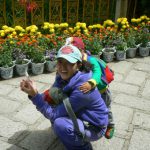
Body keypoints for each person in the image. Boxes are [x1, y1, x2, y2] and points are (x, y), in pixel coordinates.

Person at [20, 45, 108, 150]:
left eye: (69, 63)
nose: (62, 67)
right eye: (60, 61)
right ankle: (69, 134)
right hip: (79, 113)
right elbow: (52, 93)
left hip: (94, 128)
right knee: (50, 96)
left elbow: (53, 114)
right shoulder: (62, 75)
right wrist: (36, 94)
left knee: (60, 124)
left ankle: (83, 147)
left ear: (79, 65)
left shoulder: (83, 89)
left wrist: (35, 96)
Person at [65, 37, 115, 139]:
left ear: (81, 50)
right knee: (88, 109)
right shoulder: (74, 61)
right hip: (88, 94)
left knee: (106, 110)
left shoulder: (91, 60)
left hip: (102, 92)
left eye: (74, 51)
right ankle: (92, 123)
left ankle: (110, 125)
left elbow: (97, 73)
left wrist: (91, 83)